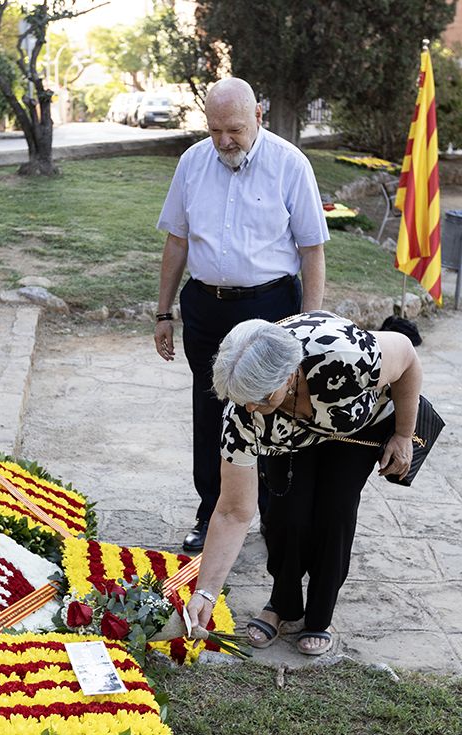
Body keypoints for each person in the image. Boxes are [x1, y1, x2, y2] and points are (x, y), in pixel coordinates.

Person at [154, 77, 328, 553]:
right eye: (215, 130)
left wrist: (308, 328)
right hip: (206, 306)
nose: (224, 141)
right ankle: (212, 511)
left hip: (269, 308)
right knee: (209, 411)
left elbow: (312, 250)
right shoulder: (192, 163)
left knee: (272, 412)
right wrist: (163, 311)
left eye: (234, 129)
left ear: (258, 116)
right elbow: (176, 240)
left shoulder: (290, 163)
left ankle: (273, 515)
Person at [182, 313, 422, 656]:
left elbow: (407, 355)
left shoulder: (345, 354)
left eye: (260, 397)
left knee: (334, 513)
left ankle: (320, 615)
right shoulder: (244, 414)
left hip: (355, 428)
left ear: (290, 374)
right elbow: (233, 512)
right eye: (242, 398)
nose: (251, 406)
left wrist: (403, 434)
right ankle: (283, 604)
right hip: (288, 435)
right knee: (285, 516)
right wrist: (205, 592)